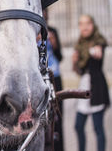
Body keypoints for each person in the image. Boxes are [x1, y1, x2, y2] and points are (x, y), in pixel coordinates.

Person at [72, 14, 110, 151]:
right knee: (78, 126)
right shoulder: (79, 44)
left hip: (97, 88)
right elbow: (78, 71)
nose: (84, 27)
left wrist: (95, 51)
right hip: (84, 87)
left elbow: (99, 52)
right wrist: (75, 62)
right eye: (81, 24)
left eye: (87, 23)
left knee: (98, 127)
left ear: (92, 25)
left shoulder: (98, 40)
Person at [43, 9, 64, 151]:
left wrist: (54, 43)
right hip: (41, 77)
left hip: (55, 76)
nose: (44, 14)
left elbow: (60, 56)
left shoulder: (53, 31)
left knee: (58, 115)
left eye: (46, 11)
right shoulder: (32, 30)